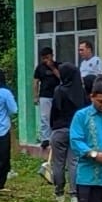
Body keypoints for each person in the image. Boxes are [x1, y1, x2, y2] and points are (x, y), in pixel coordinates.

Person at [48, 62, 86, 202]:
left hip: (59, 130)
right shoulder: (81, 92)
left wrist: (53, 127)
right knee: (74, 162)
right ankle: (74, 194)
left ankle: (59, 193)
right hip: (76, 131)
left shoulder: (59, 90)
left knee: (58, 163)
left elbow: (54, 111)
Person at [33, 48, 60, 178]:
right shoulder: (40, 68)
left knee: (56, 117)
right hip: (44, 95)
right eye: (43, 58)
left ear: (52, 56)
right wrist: (35, 95)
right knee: (44, 117)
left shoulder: (58, 65)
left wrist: (53, 67)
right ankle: (45, 138)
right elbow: (35, 82)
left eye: (47, 57)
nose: (45, 60)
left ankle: (55, 137)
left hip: (57, 95)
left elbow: (61, 77)